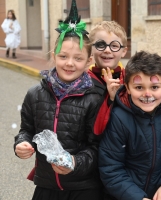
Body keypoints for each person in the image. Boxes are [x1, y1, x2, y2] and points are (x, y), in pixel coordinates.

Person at [13, 1, 103, 199]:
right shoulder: (35, 94)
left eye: (78, 58)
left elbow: (98, 147)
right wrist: (22, 144)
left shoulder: (95, 99)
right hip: (46, 186)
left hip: (84, 188)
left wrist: (75, 162)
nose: (69, 63)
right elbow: (26, 131)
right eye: (63, 56)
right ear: (54, 56)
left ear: (89, 61)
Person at [98, 51, 161, 200]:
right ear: (127, 87)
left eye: (154, 87)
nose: (147, 94)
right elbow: (111, 168)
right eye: (139, 87)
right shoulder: (118, 117)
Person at [87, 20, 127, 135]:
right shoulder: (83, 82)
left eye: (114, 45)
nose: (107, 50)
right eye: (100, 45)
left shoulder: (129, 80)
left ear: (123, 51)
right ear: (91, 49)